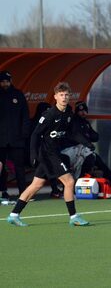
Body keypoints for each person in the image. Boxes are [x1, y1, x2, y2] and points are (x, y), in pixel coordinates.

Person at [7, 82, 89, 227]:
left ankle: (14, 214)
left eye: (66, 95)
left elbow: (72, 132)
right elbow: (35, 134)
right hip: (47, 154)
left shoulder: (68, 113)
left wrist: (86, 142)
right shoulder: (50, 114)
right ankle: (74, 216)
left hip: (53, 153)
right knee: (69, 181)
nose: (64, 97)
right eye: (61, 95)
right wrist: (33, 154)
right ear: (55, 97)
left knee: (36, 184)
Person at [0, 70, 31, 199]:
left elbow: (25, 115)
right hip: (1, 139)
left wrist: (24, 134)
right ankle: (3, 191)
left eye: (7, 81)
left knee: (19, 167)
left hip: (17, 139)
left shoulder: (18, 95)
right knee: (1, 167)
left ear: (11, 81)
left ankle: (23, 193)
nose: (5, 84)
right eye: (2, 82)